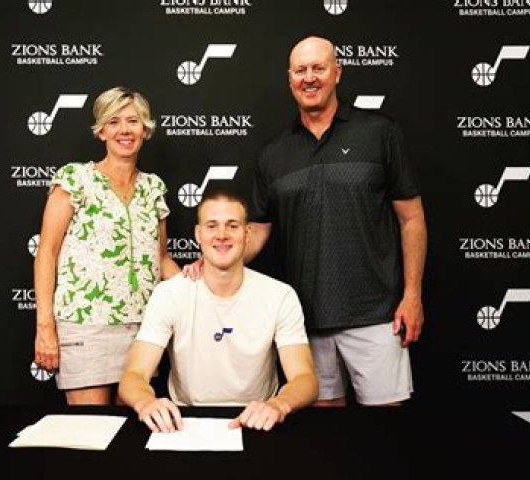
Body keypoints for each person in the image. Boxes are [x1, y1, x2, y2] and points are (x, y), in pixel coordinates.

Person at [185, 36, 427, 407]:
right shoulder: (274, 154)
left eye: (318, 68)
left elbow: (411, 218)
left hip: (377, 315)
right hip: (304, 320)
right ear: (290, 79)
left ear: (337, 73)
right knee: (320, 431)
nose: (309, 78)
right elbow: (257, 231)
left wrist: (412, 296)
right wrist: (213, 261)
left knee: (385, 428)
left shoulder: (378, 133)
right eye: (300, 70)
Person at [118, 190, 318, 432]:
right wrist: (145, 402)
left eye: (232, 226)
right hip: (186, 420)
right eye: (212, 226)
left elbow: (304, 378)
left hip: (258, 420)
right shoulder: (170, 293)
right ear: (198, 234)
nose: (222, 235)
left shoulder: (279, 295)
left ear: (247, 234)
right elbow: (134, 374)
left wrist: (278, 405)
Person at [34, 87, 180, 405]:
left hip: (144, 331)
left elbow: (161, 258)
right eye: (114, 122)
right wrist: (45, 327)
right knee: (92, 428)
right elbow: (46, 253)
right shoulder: (75, 179)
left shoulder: (153, 188)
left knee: (132, 431)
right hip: (86, 327)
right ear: (101, 131)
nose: (124, 130)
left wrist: (197, 285)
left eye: (133, 121)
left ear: (145, 129)